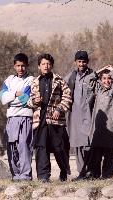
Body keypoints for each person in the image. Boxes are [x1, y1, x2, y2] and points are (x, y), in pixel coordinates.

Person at [28, 53, 72, 182]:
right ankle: (43, 176)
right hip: (40, 119)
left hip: (55, 120)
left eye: (48, 64)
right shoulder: (34, 82)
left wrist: (59, 108)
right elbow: (29, 102)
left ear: (51, 65)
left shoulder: (59, 80)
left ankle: (64, 173)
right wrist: (35, 101)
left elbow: (68, 97)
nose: (46, 66)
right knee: (41, 148)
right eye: (43, 64)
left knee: (60, 148)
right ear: (39, 66)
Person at [0, 53, 34, 181]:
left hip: (25, 117)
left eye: (23, 66)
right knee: (11, 147)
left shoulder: (31, 80)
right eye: (18, 66)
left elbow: (26, 100)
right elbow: (3, 98)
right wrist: (15, 94)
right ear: (14, 66)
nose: (21, 68)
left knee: (24, 146)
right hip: (12, 118)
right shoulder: (9, 80)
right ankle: (15, 175)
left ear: (27, 66)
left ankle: (25, 175)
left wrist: (12, 98)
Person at [86, 66, 113, 179]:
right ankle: (95, 175)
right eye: (104, 78)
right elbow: (89, 80)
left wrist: (112, 70)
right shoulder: (97, 90)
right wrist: (99, 70)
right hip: (99, 129)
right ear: (100, 80)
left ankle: (108, 176)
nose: (107, 81)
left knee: (111, 154)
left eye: (109, 78)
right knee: (96, 154)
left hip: (112, 128)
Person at [64, 50, 94, 180]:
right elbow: (61, 89)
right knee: (77, 145)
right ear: (75, 62)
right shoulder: (71, 76)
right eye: (79, 61)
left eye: (84, 61)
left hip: (89, 115)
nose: (81, 64)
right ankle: (81, 172)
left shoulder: (93, 75)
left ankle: (91, 172)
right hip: (74, 115)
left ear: (87, 62)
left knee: (89, 144)